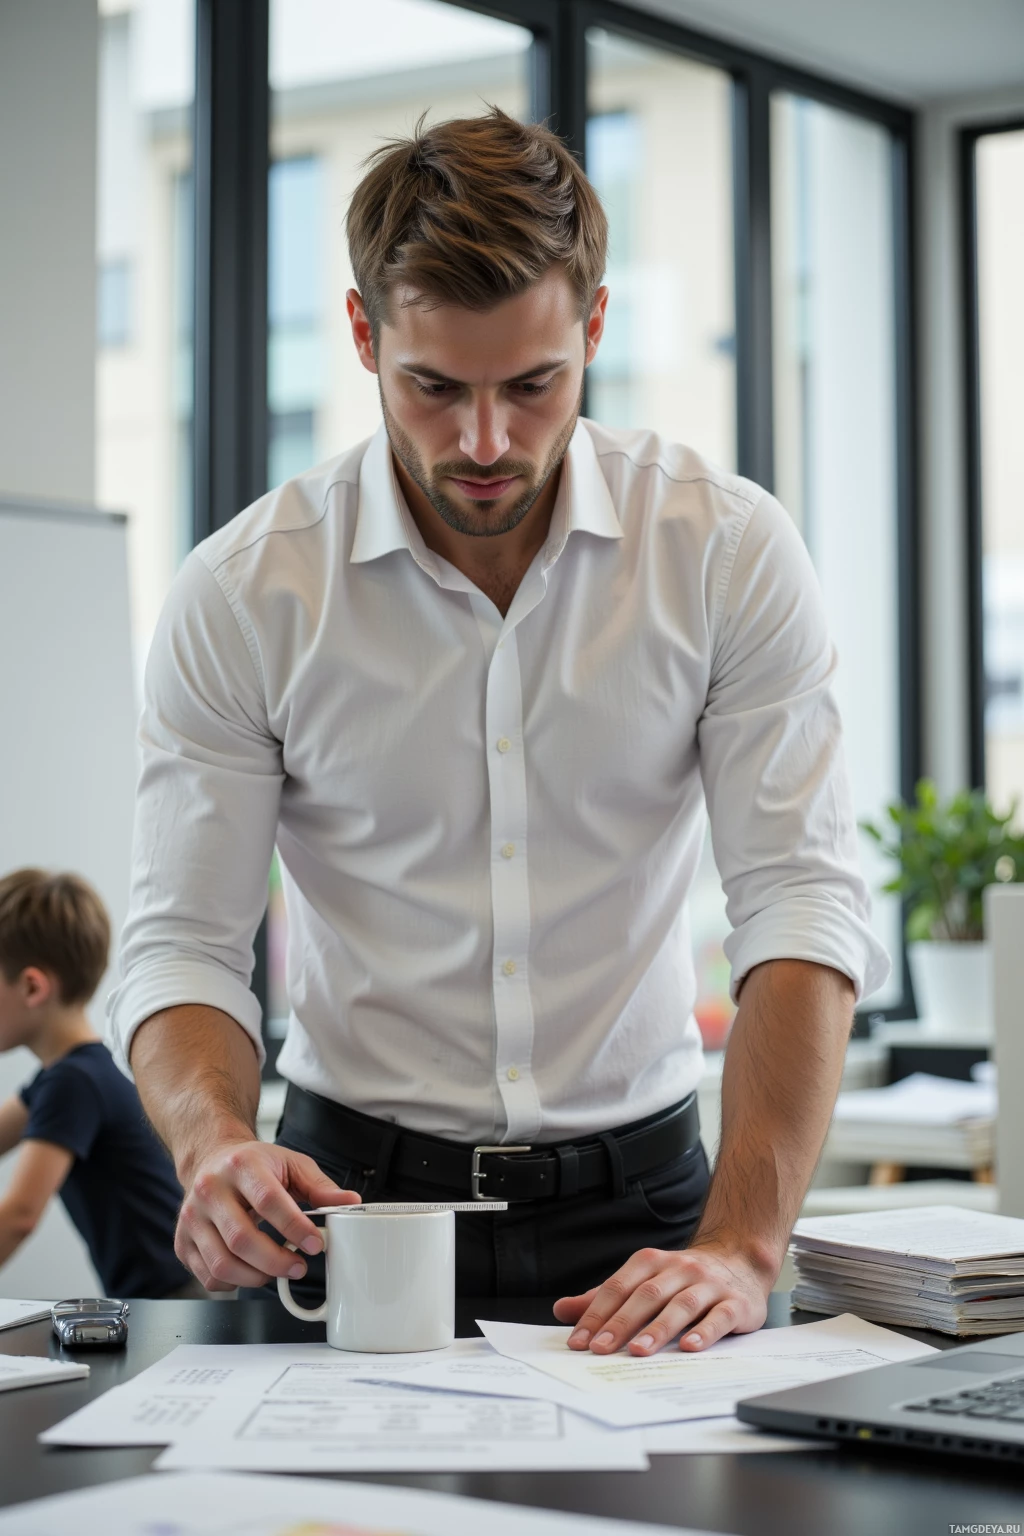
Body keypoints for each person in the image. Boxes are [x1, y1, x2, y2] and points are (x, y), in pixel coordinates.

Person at [111, 107, 889, 1355]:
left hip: (647, 1211)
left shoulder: (724, 550)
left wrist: (745, 1246)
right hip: (347, 1210)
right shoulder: (243, 591)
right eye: (433, 387)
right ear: (362, 336)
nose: (483, 443)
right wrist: (214, 1142)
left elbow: (797, 904)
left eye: (533, 387)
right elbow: (185, 947)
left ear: (591, 329)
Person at [0, 869, 200, 1299]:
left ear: (32, 986)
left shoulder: (73, 1084)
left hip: (177, 1303)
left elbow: (18, 1216)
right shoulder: (74, 1073)